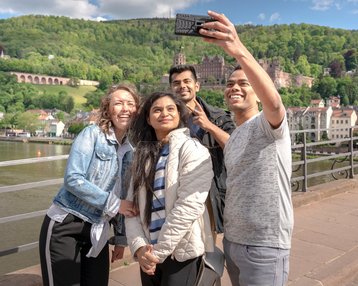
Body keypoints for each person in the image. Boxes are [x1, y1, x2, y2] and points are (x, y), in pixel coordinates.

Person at [199, 11, 294, 286]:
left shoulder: (268, 124)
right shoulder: (236, 134)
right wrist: (207, 125)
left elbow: (274, 104)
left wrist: (237, 48)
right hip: (234, 241)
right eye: (230, 84)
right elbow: (231, 145)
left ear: (257, 91)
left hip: (265, 244)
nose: (234, 88)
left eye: (244, 83)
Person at [38, 83, 140, 286]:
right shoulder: (92, 134)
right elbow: (73, 179)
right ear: (107, 108)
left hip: (98, 229)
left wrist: (120, 238)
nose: (125, 108)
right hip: (66, 224)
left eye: (130, 103)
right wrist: (115, 204)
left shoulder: (131, 148)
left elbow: (125, 193)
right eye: (118, 103)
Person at [123, 92, 214, 286]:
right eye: (157, 110)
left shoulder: (193, 149)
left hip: (180, 253)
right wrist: (139, 248)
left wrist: (157, 253)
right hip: (148, 253)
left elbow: (189, 206)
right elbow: (132, 209)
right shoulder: (142, 155)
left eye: (170, 109)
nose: (164, 113)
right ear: (148, 118)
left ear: (180, 115)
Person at [169, 64, 236, 236]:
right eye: (176, 83)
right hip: (175, 194)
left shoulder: (218, 117)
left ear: (197, 86)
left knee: (207, 247)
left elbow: (236, 148)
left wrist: (209, 126)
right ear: (171, 88)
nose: (182, 86)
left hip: (208, 194)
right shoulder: (165, 120)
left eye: (187, 81)